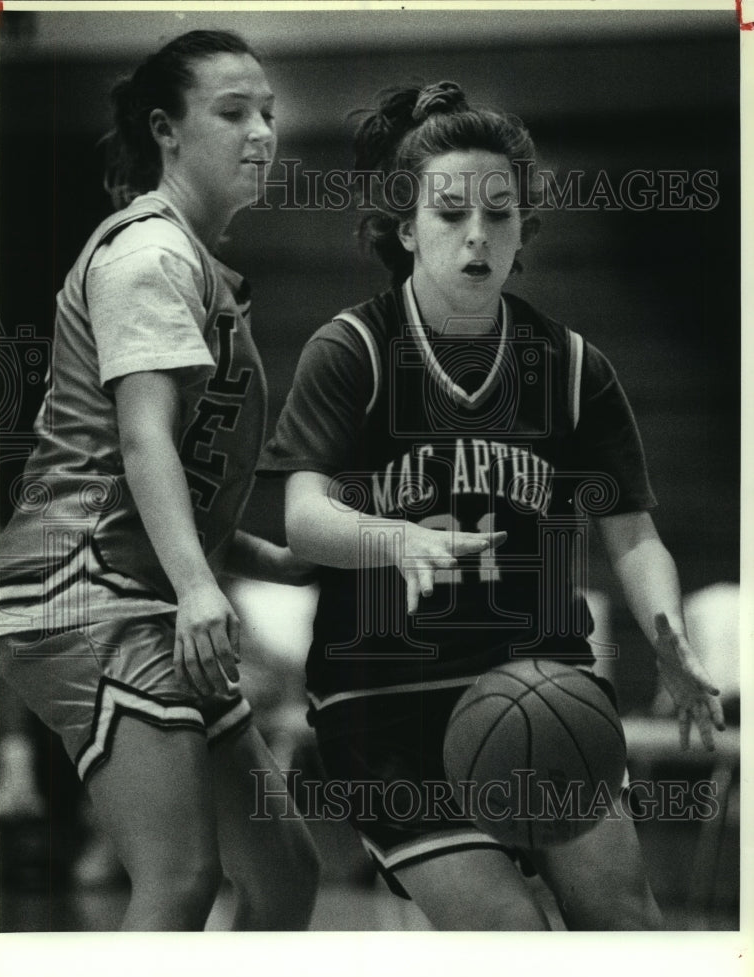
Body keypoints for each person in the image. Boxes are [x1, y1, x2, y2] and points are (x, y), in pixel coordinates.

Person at [260, 81, 726, 931]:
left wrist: (668, 635)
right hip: (386, 705)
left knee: (629, 926)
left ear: (524, 232)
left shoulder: (573, 366)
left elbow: (632, 534)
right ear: (407, 228)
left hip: (540, 684)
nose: (476, 234)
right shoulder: (354, 349)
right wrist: (394, 540)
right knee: (508, 935)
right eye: (449, 213)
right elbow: (303, 516)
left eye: (499, 214)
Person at [0, 29, 320, 931]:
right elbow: (143, 444)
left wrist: (269, 561)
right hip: (82, 587)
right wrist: (197, 586)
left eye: (268, 113)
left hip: (136, 582)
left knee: (285, 874)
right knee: (179, 877)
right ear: (166, 131)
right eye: (233, 113)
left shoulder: (198, 265)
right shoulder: (151, 256)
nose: (262, 132)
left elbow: (168, 478)